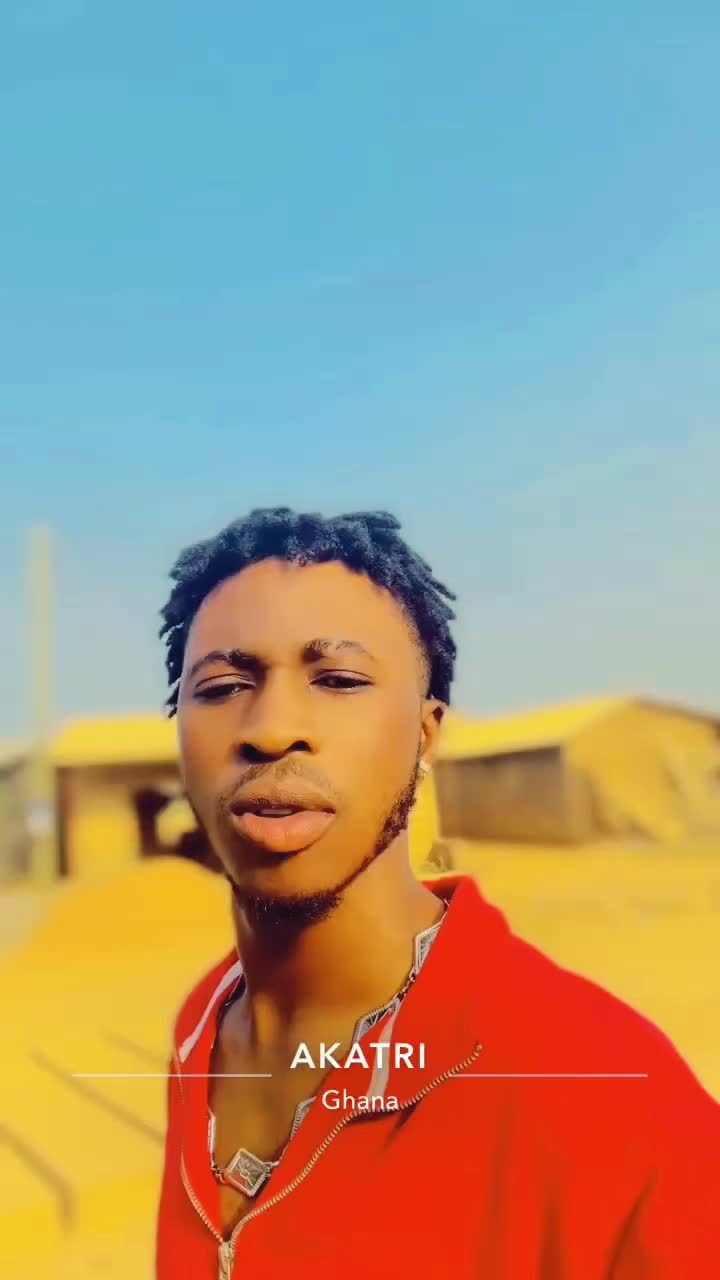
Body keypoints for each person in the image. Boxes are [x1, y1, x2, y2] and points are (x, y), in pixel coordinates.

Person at [155, 507, 720, 1280]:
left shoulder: (611, 1098)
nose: (273, 728)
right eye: (221, 686)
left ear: (427, 733)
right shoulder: (201, 1029)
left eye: (339, 680)